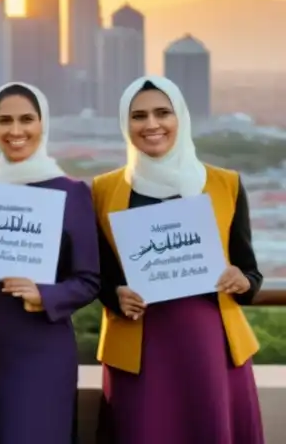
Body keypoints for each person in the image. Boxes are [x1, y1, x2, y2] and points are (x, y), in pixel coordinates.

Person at [94, 75, 264, 443]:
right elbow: (98, 274)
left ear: (180, 118)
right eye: (138, 116)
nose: (151, 124)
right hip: (139, 348)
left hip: (210, 346)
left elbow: (250, 270)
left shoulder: (225, 184)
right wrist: (115, 293)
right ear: (126, 124)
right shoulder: (103, 190)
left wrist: (243, 279)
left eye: (162, 113)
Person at [0, 82, 100, 443]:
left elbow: (89, 279)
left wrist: (44, 296)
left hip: (39, 354)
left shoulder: (71, 192)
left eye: (26, 119)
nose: (16, 131)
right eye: (5, 120)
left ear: (43, 123)